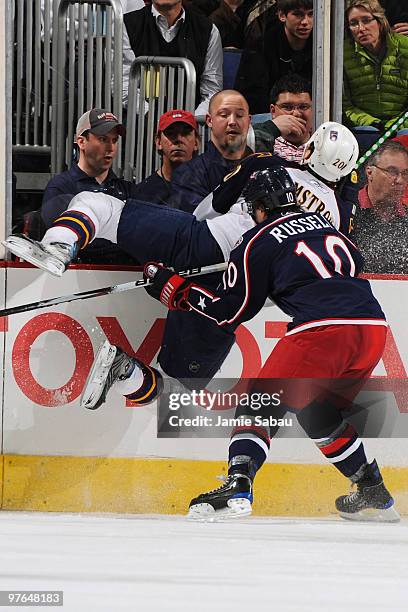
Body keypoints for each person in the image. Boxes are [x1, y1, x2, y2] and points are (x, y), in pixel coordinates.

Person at [140, 166, 400, 523]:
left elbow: (229, 312)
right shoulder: (326, 226)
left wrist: (177, 290)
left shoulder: (256, 241)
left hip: (322, 329)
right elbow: (352, 263)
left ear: (259, 205)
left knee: (259, 401)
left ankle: (238, 483)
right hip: (372, 327)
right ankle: (372, 489)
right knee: (318, 413)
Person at [3, 122, 359, 379]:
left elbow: (209, 209)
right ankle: (129, 376)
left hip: (203, 242)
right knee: (178, 384)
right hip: (237, 293)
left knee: (99, 205)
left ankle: (60, 245)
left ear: (312, 151)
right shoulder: (341, 218)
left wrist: (183, 238)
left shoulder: (268, 165)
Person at [41, 108, 140, 265]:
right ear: (81, 142)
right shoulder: (61, 186)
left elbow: (140, 237)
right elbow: (62, 244)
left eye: (114, 140)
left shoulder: (128, 189)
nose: (111, 147)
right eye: (103, 139)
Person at [122, 0, 223, 116]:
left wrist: (191, 121)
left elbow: (212, 91)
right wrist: (153, 117)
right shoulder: (125, 24)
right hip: (140, 123)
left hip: (189, 126)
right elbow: (123, 86)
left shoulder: (208, 30)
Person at [171, 90, 253, 213]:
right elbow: (196, 225)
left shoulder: (264, 166)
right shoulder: (188, 175)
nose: (232, 122)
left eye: (240, 116)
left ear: (249, 121)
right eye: (224, 115)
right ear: (209, 120)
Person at [235, 0, 313, 114]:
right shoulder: (261, 46)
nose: (305, 21)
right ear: (282, 15)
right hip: (270, 116)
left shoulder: (322, 45)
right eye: (298, 14)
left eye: (311, 14)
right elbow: (253, 98)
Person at [343, 0, 408, 131]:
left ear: (380, 21)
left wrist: (393, 127)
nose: (361, 29)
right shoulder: (343, 54)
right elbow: (345, 106)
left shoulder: (404, 47)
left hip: (402, 127)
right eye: (354, 23)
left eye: (366, 20)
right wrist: (374, 124)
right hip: (366, 127)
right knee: (366, 132)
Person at [351, 140, 408, 273]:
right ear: (369, 173)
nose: (400, 180)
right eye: (392, 171)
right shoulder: (346, 210)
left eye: (405, 173)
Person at [132, 110, 200, 206]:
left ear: (196, 143)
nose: (179, 139)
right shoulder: (142, 193)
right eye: (171, 133)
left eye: (185, 133)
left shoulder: (209, 189)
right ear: (159, 142)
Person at [253, 73, 313, 161]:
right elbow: (233, 148)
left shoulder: (325, 145)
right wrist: (272, 128)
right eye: (288, 107)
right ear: (273, 111)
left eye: (303, 107)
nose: (296, 114)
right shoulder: (260, 145)